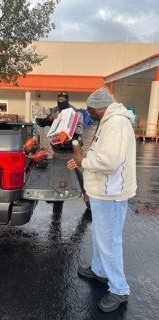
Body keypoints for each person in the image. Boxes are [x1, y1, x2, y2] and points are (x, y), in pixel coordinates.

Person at [67, 87, 137, 313]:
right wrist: (81, 157)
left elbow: (108, 162)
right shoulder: (107, 121)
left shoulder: (116, 124)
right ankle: (99, 271)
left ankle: (119, 289)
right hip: (103, 192)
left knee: (109, 242)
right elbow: (99, 152)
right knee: (101, 236)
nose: (90, 114)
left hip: (112, 193)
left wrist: (83, 161)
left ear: (99, 107)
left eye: (90, 110)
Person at [35, 91, 90, 210]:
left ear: (67, 100)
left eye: (63, 100)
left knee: (82, 177)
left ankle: (88, 201)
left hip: (74, 152)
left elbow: (80, 130)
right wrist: (50, 118)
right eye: (59, 100)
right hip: (58, 152)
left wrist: (69, 129)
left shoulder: (76, 113)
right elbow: (39, 121)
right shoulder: (52, 111)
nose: (61, 102)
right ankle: (57, 203)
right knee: (57, 176)